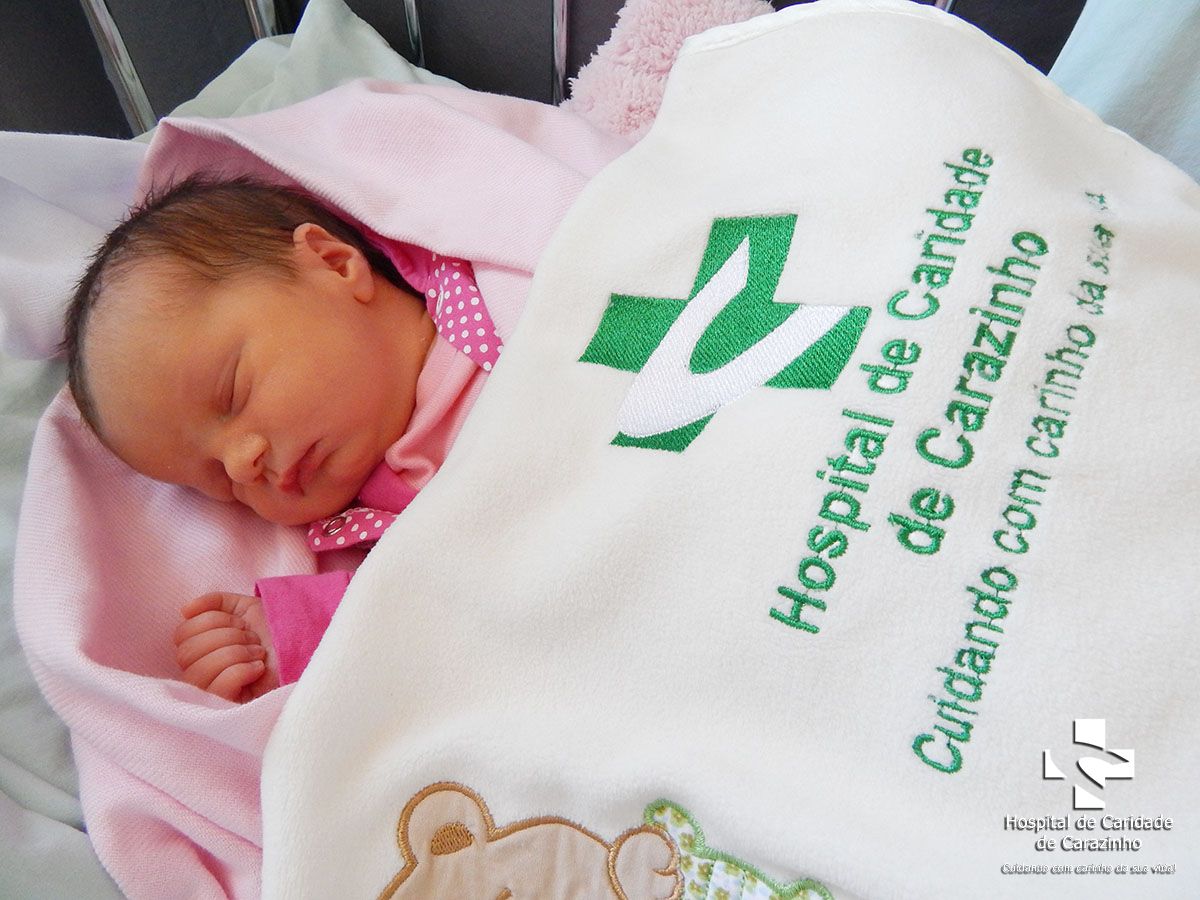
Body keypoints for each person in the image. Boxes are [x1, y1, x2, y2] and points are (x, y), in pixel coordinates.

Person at [63, 175, 501, 702]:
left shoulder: (503, 294)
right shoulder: (386, 531)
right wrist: (303, 631)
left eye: (233, 394)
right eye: (219, 481)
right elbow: (461, 615)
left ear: (332, 264)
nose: (242, 464)